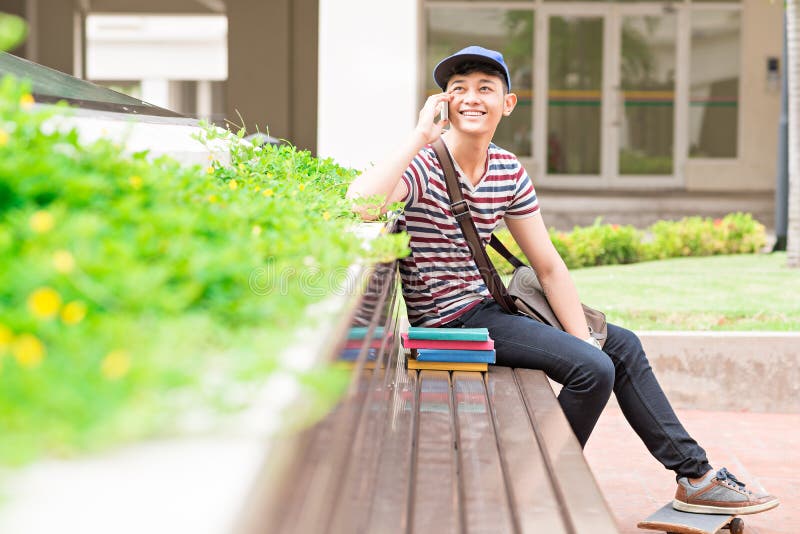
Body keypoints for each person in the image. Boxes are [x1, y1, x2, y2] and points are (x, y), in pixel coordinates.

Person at [346, 45, 779, 516]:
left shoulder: (507, 169)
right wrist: (418, 135)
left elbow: (548, 266)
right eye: (458, 90)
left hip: (490, 311)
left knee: (621, 347)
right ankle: (534, 486)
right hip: (449, 323)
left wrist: (584, 340)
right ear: (443, 103)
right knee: (593, 370)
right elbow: (362, 205)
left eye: (485, 89)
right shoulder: (424, 165)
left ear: (507, 104)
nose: (471, 98)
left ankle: (694, 477)